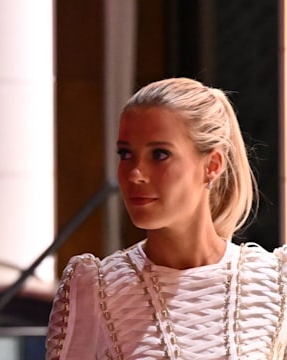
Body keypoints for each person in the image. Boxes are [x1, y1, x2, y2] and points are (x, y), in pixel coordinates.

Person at [46, 77, 287, 359]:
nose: (135, 174)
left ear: (212, 165)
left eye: (159, 155)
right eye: (126, 154)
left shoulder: (276, 282)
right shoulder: (92, 291)